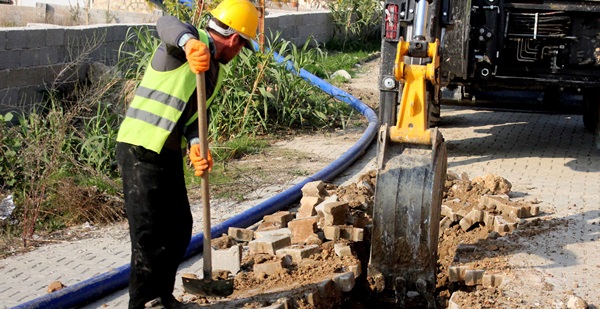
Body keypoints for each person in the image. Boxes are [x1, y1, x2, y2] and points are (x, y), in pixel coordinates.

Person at [115, 0, 259, 308]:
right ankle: (142, 303)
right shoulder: (186, 43)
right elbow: (166, 23)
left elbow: (193, 117)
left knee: (179, 228)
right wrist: (189, 42)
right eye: (242, 46)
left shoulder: (213, 71)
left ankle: (163, 297)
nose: (239, 54)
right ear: (235, 39)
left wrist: (196, 143)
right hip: (140, 149)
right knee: (148, 236)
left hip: (166, 156)